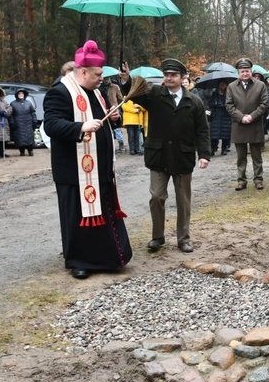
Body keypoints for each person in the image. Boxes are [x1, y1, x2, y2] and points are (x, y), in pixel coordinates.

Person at [43, 40, 132, 280]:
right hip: (74, 173)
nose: (102, 78)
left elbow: (102, 119)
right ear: (83, 72)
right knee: (77, 219)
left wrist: (113, 118)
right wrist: (81, 126)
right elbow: (51, 124)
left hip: (99, 170)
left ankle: (108, 258)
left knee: (102, 216)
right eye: (98, 74)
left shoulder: (96, 91)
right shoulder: (60, 92)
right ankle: (79, 262)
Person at [119, 58, 211, 253]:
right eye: (167, 75)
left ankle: (183, 239)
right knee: (157, 197)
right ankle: (157, 237)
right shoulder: (154, 94)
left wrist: (204, 154)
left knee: (183, 201)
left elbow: (202, 130)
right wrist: (126, 79)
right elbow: (133, 95)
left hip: (183, 157)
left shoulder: (194, 101)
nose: (169, 78)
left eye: (173, 75)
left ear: (182, 78)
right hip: (158, 156)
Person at [226, 58, 269, 191]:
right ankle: (241, 180)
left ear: (251, 71)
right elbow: (229, 105)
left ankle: (258, 179)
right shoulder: (231, 87)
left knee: (257, 155)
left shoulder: (260, 85)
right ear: (238, 72)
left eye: (247, 71)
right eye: (242, 71)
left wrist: (252, 116)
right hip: (239, 125)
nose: (245, 74)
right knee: (241, 156)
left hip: (255, 125)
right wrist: (241, 117)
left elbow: (264, 104)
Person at [9, 88, 38, 156]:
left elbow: (33, 113)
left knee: (30, 137)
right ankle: (22, 151)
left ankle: (30, 150)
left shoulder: (28, 103)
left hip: (28, 123)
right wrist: (12, 123)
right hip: (18, 123)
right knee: (20, 138)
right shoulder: (13, 104)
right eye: (19, 94)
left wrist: (34, 120)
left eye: (22, 93)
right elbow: (11, 115)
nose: (21, 95)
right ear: (17, 95)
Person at [208, 80, 231, 155]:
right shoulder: (214, 94)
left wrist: (223, 105)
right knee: (214, 134)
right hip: (216, 115)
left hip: (226, 115)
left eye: (224, 84)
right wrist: (215, 104)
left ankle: (224, 148)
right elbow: (210, 103)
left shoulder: (229, 94)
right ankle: (213, 148)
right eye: (221, 84)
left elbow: (230, 104)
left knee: (225, 133)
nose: (222, 85)